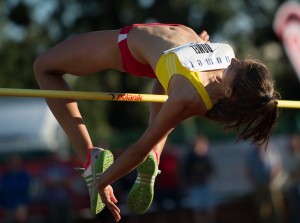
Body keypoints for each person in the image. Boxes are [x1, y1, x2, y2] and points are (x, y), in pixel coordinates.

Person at [33, 23, 280, 222]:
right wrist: (200, 43)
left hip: (126, 46)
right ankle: (156, 154)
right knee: (164, 84)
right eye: (241, 61)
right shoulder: (224, 65)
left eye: (237, 66)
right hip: (160, 60)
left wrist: (103, 182)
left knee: (44, 67)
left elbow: (138, 149)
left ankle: (90, 158)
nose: (233, 60)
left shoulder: (188, 97)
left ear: (229, 93)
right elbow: (174, 75)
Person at [0, 154, 31, 223]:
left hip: (20, 205)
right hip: (8, 205)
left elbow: (23, 189)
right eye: (11, 161)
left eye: (15, 161)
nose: (13, 163)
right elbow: (3, 191)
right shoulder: (5, 176)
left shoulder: (24, 175)